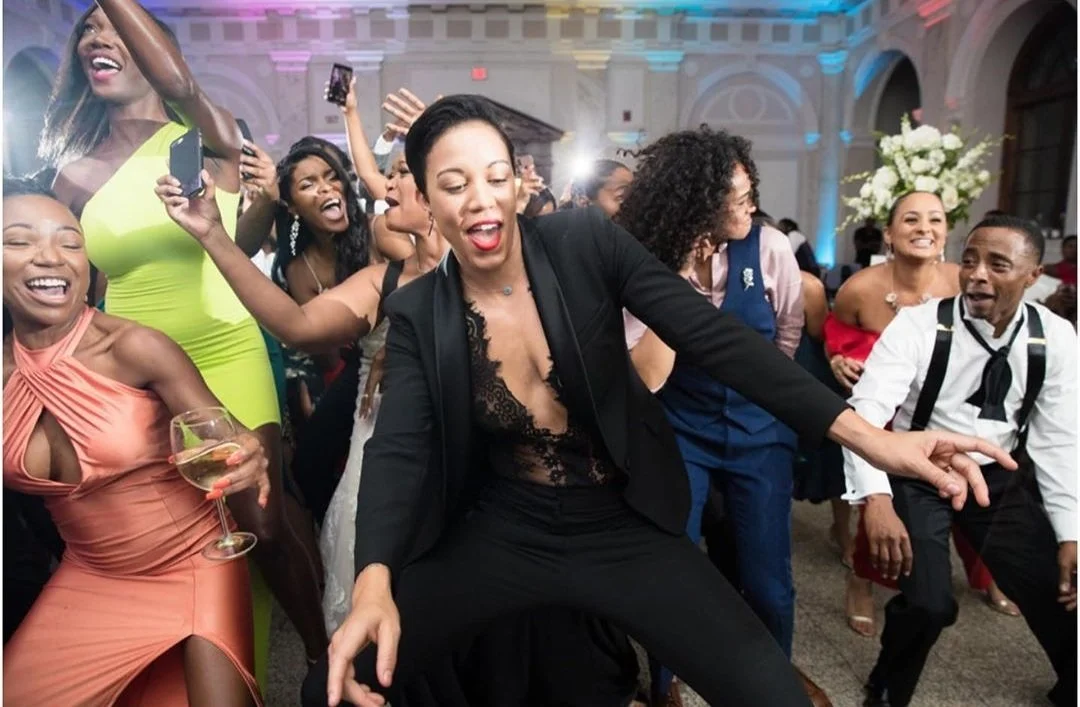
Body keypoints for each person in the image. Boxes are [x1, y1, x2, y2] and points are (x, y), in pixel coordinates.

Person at [278, 95, 1013, 707]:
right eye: (454, 182)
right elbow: (399, 449)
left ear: (518, 181)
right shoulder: (417, 314)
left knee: (771, 694)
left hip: (621, 522)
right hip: (506, 529)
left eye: (496, 175)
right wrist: (374, 580)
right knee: (330, 689)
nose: (481, 198)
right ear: (424, 200)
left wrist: (873, 439)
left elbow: (713, 338)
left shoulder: (583, 241)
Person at [38, 0, 327, 674]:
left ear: (152, 48)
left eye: (114, 29)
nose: (96, 39)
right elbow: (84, 287)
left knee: (260, 519)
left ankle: (320, 656)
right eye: (87, 34)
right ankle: (199, 661)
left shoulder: (204, 138)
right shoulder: (71, 174)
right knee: (173, 529)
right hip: (134, 364)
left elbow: (229, 244)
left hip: (226, 348)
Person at [2, 177, 271, 706]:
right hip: (90, 576)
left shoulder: (137, 347)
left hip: (193, 563)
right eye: (19, 241)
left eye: (70, 242)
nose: (50, 257)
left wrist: (252, 453)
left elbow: (227, 435)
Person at [614, 126, 812, 704]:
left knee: (768, 585)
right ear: (697, 202)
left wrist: (758, 395)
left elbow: (789, 331)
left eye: (750, 191)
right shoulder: (650, 260)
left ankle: (774, 685)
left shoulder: (770, 247)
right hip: (680, 430)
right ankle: (666, 683)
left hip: (759, 432)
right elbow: (639, 362)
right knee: (673, 563)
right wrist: (675, 276)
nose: (749, 204)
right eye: (735, 197)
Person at [845, 215, 1077, 707]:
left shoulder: (1054, 338)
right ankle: (887, 690)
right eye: (969, 260)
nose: (977, 274)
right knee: (930, 604)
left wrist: (1070, 532)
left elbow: (1059, 440)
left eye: (998, 264)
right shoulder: (919, 325)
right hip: (917, 471)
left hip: (998, 475)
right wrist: (877, 500)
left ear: (1033, 275)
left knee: (1060, 589)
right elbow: (865, 416)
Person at [826, 191, 1018, 635]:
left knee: (983, 497)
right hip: (887, 413)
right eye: (910, 219)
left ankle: (991, 577)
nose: (923, 228)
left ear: (947, 234)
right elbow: (837, 334)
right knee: (881, 509)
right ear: (889, 234)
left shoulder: (964, 280)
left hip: (951, 413)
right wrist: (837, 357)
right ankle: (861, 582)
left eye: (935, 219)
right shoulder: (861, 288)